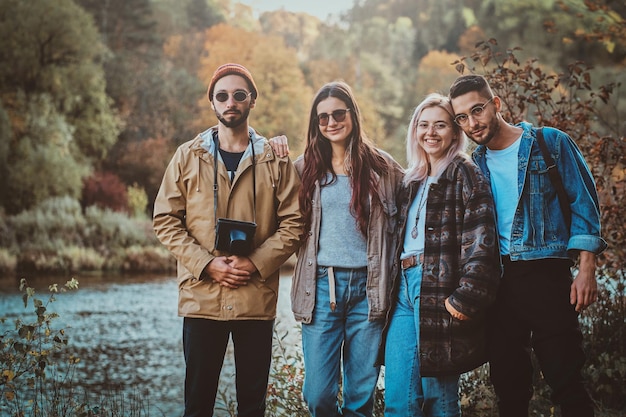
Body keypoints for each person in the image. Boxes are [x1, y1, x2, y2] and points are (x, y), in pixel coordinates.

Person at [448, 74, 608, 417]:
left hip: (546, 275)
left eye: (477, 110)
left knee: (566, 377)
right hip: (498, 283)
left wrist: (586, 269)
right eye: (462, 117)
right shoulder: (473, 165)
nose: (472, 123)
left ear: (496, 104)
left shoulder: (549, 143)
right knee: (509, 385)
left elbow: (584, 203)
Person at [153, 63, 303, 417]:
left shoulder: (275, 159)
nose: (230, 102)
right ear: (212, 103)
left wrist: (256, 262)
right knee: (198, 404)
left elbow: (295, 223)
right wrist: (206, 264)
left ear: (252, 100)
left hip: (255, 298)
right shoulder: (187, 157)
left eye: (239, 95)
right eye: (222, 96)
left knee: (253, 406)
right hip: (202, 297)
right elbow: (165, 220)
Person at [289, 81, 404, 417]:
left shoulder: (383, 169)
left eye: (338, 113)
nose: (331, 122)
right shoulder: (302, 169)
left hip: (369, 291)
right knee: (318, 396)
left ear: (353, 114)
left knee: (359, 395)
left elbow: (413, 210)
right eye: (322, 117)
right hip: (322, 288)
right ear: (315, 124)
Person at [382, 93, 500, 416]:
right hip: (404, 291)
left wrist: (464, 299)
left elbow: (482, 241)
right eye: (423, 125)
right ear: (414, 130)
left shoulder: (465, 172)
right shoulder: (412, 180)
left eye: (440, 125)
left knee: (439, 399)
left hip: (439, 288)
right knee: (398, 397)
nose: (430, 132)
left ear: (454, 132)